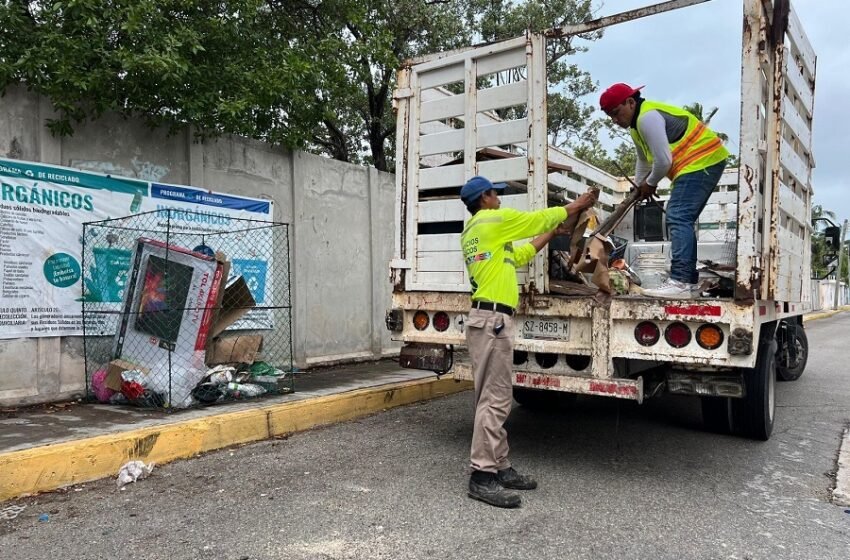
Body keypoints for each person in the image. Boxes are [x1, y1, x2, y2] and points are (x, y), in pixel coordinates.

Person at [460, 175, 597, 508]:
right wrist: (577, 205)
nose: (501, 200)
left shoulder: (479, 234)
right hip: (492, 321)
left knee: (496, 397)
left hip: (487, 320)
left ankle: (500, 465)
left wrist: (552, 234)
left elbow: (521, 254)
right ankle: (482, 475)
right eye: (497, 195)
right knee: (494, 400)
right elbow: (536, 219)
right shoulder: (493, 220)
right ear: (484, 198)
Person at [600, 83, 729, 299]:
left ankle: (680, 282)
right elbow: (644, 161)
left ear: (631, 102)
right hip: (694, 165)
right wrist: (638, 187)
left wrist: (650, 184)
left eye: (616, 112)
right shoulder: (636, 127)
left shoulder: (647, 118)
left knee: (678, 216)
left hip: (702, 160)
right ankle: (685, 279)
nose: (615, 120)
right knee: (681, 217)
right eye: (610, 116)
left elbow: (663, 161)